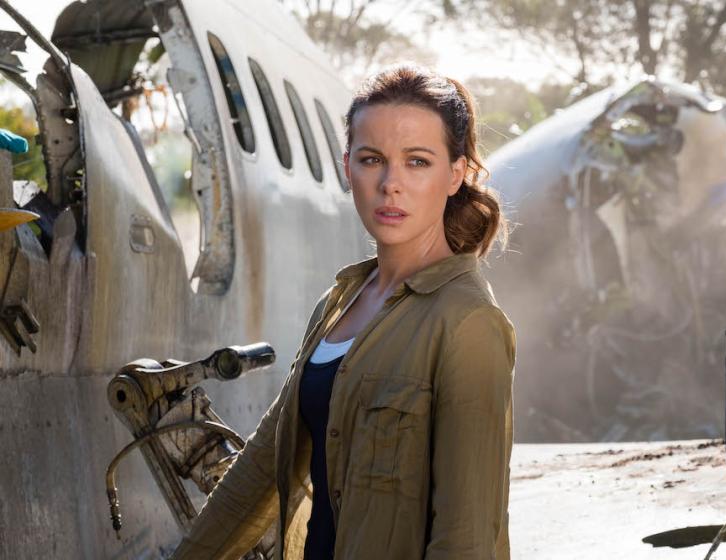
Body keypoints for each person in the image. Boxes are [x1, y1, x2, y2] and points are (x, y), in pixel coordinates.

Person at [171, 63, 516, 560]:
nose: (391, 183)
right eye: (372, 159)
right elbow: (263, 465)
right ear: (347, 165)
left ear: (455, 174)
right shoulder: (338, 303)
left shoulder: (468, 323)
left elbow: (466, 536)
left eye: (417, 162)